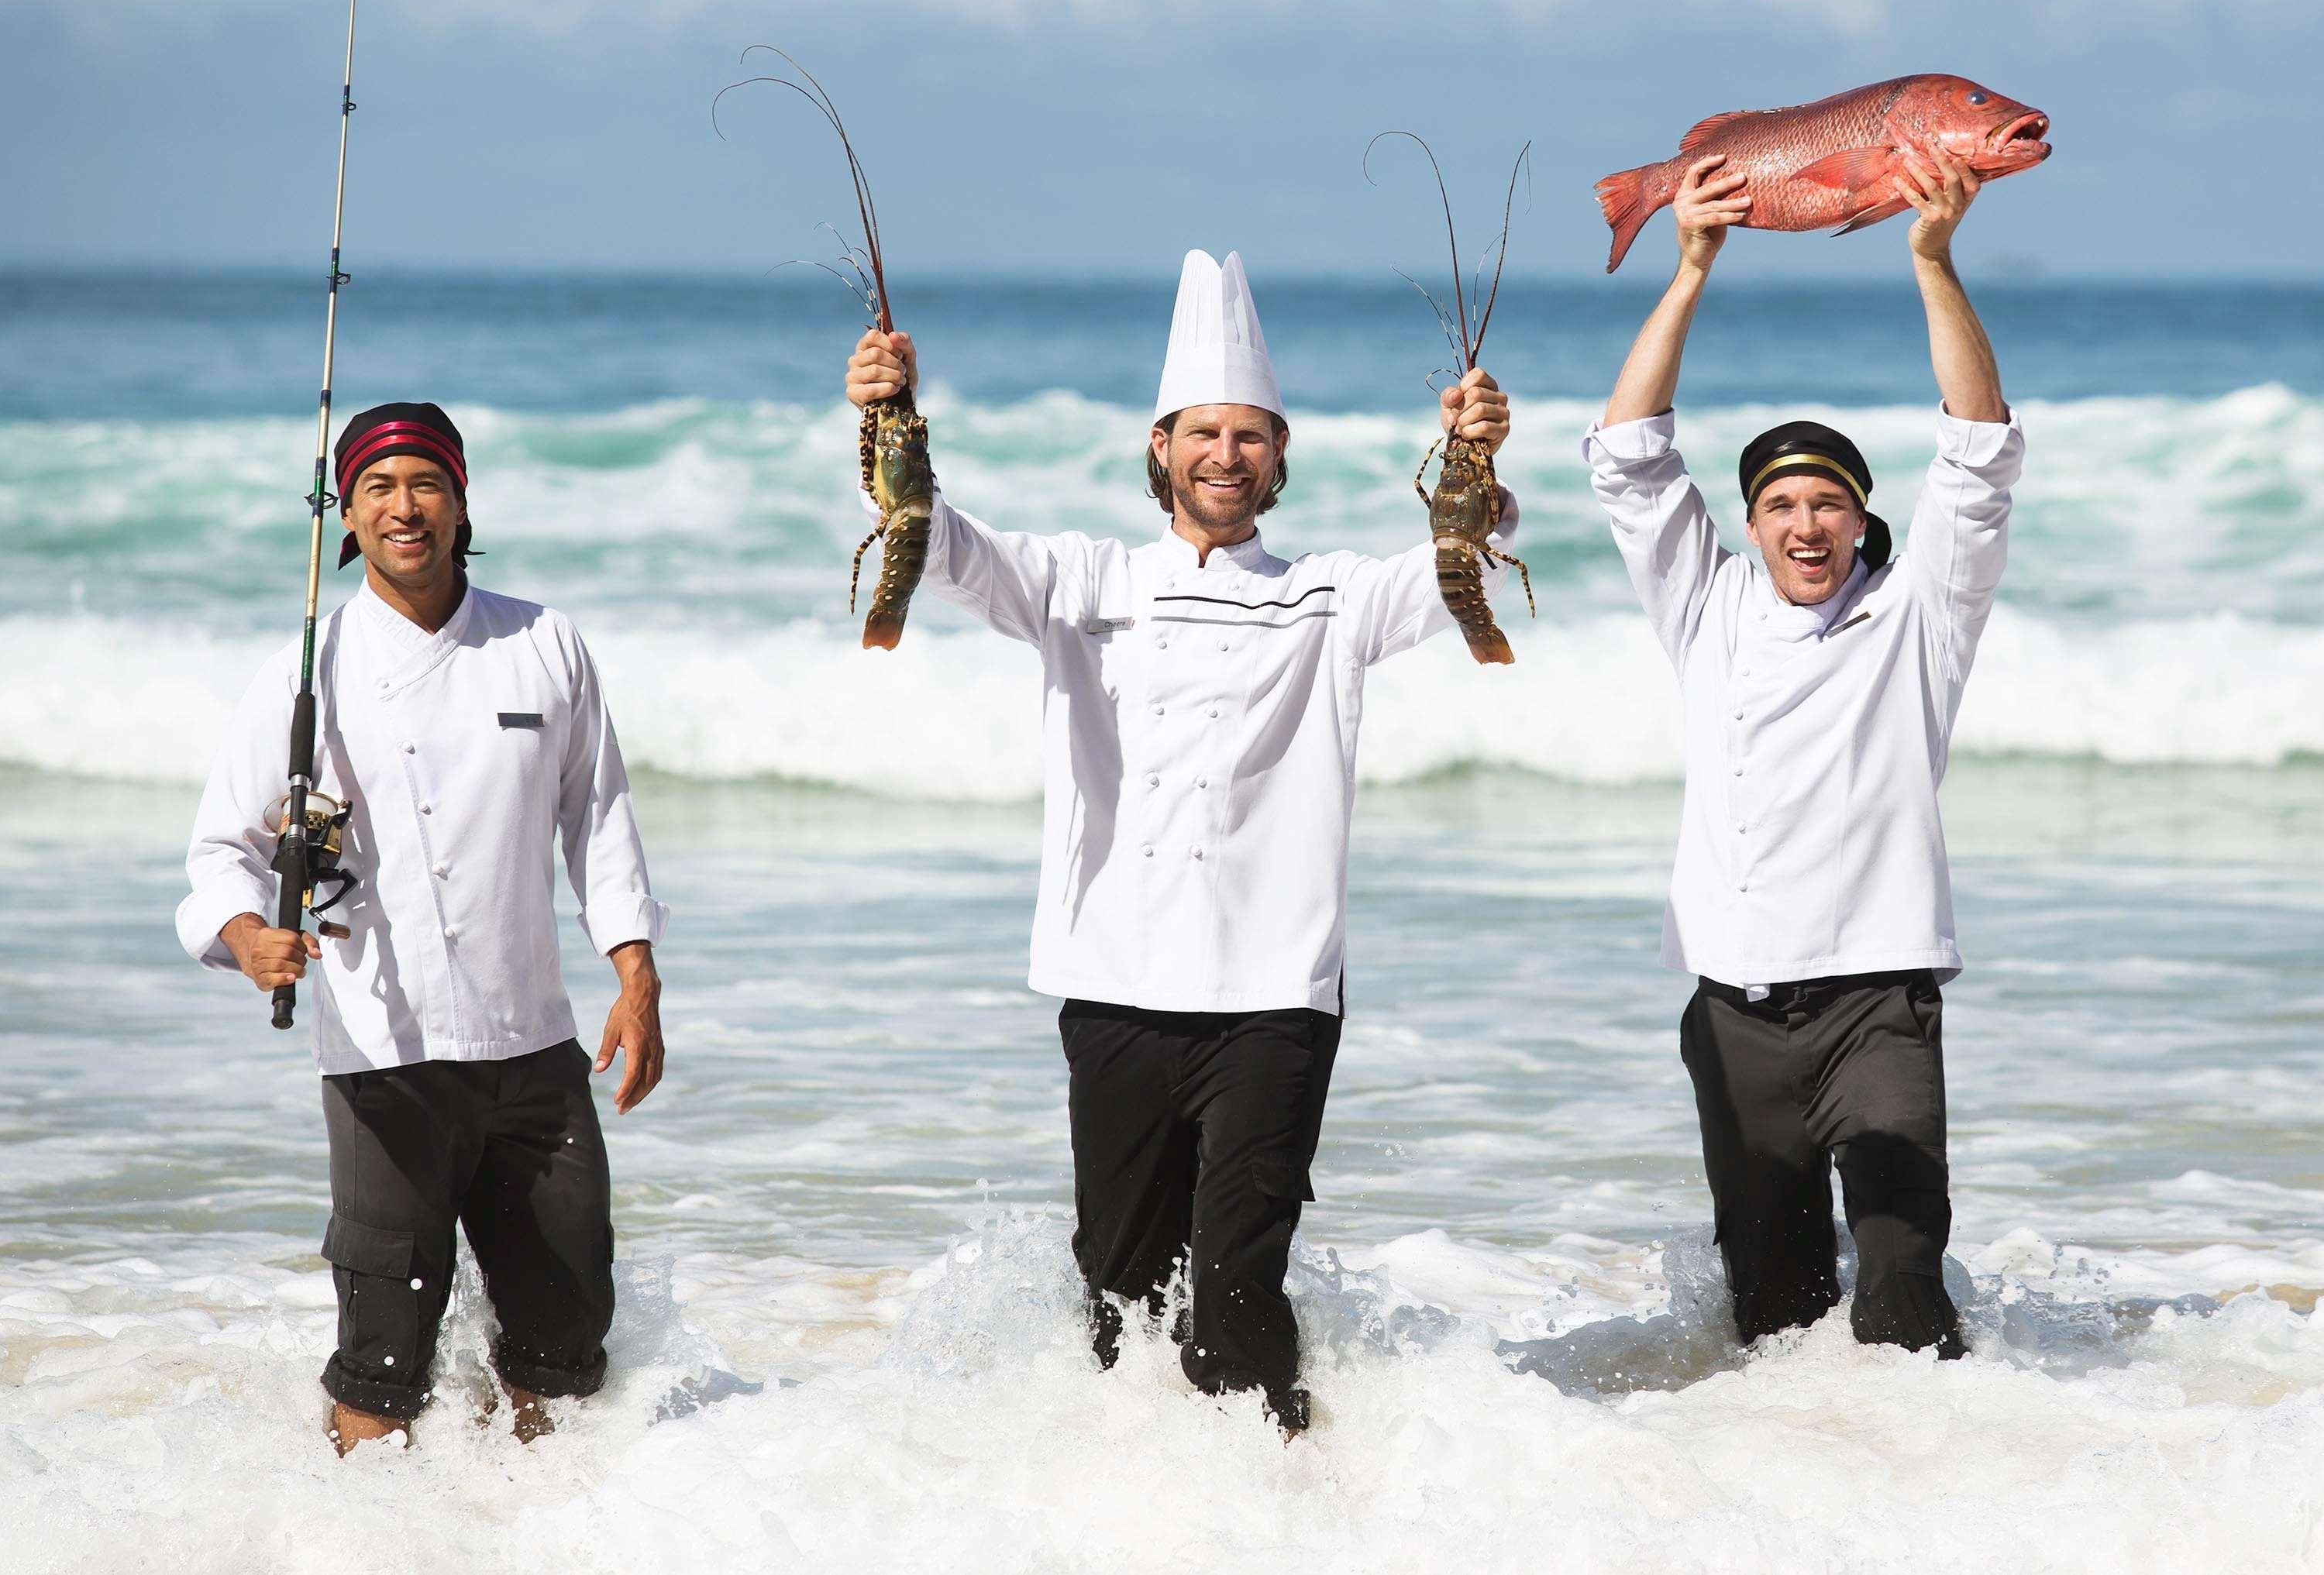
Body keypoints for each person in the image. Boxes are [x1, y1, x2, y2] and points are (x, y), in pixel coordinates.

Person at [843, 252, 1519, 1433]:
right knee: (1117, 1292)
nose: (1225, 455)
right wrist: (887, 416)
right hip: (1112, 983)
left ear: (1279, 455)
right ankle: (1133, 1509)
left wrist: (1481, 458)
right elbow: (939, 542)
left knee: (1237, 1288)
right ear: (1160, 446)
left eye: (1250, 435)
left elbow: (1452, 565)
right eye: (1202, 432)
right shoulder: (1080, 579)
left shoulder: (1329, 594)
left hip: (1275, 991)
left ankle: (1279, 1497)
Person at [1584, 146, 2022, 1359]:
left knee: (1900, 1294)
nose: (1806, 523)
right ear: (1752, 525)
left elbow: (1980, 458)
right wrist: (1687, 273)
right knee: (1772, 1320)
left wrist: (1931, 260)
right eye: (1780, 505)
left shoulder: (1919, 613)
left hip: (1880, 1005)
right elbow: (1627, 459)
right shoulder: (1708, 606)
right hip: (1734, 1012)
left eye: (1827, 501)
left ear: (1862, 516)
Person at [177, 402, 669, 1451]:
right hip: (381, 1061)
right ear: (348, 517)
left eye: (426, 483)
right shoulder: (305, 671)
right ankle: (367, 1543)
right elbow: (221, 851)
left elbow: (600, 818)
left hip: (534, 1052)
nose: (406, 507)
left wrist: (636, 974)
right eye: (379, 489)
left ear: (461, 501)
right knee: (384, 1355)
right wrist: (243, 935)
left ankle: (533, 1532)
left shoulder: (544, 643)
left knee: (567, 1339)